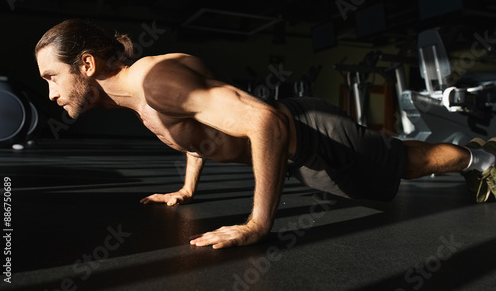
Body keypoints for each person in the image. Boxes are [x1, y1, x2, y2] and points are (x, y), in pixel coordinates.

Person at [34, 19, 496, 249]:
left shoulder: (157, 81)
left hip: (313, 135)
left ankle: (483, 160)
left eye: (52, 78)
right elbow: (198, 130)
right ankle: (476, 156)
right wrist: (186, 188)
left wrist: (258, 224)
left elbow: (265, 124)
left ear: (87, 65)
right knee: (393, 162)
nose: (51, 93)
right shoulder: (138, 97)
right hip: (300, 154)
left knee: (406, 164)